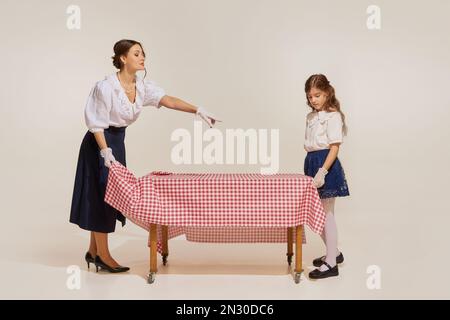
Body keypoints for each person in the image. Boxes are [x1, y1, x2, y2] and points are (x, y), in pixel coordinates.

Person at [70, 39, 220, 273]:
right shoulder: (106, 87)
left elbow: (167, 100)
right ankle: (104, 255)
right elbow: (96, 123)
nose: (142, 57)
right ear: (123, 58)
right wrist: (105, 151)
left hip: (117, 143)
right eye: (136, 53)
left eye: (143, 54)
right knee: (101, 196)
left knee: (106, 195)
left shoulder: (142, 87)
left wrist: (197, 110)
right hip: (99, 144)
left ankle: (94, 251)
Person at [303, 74, 350, 279]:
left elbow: (334, 147)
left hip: (326, 164)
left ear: (327, 93)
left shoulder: (333, 116)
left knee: (326, 214)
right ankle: (335, 253)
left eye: (318, 95)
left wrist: (322, 171)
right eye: (310, 96)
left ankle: (331, 263)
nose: (314, 99)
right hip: (312, 161)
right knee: (317, 212)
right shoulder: (311, 117)